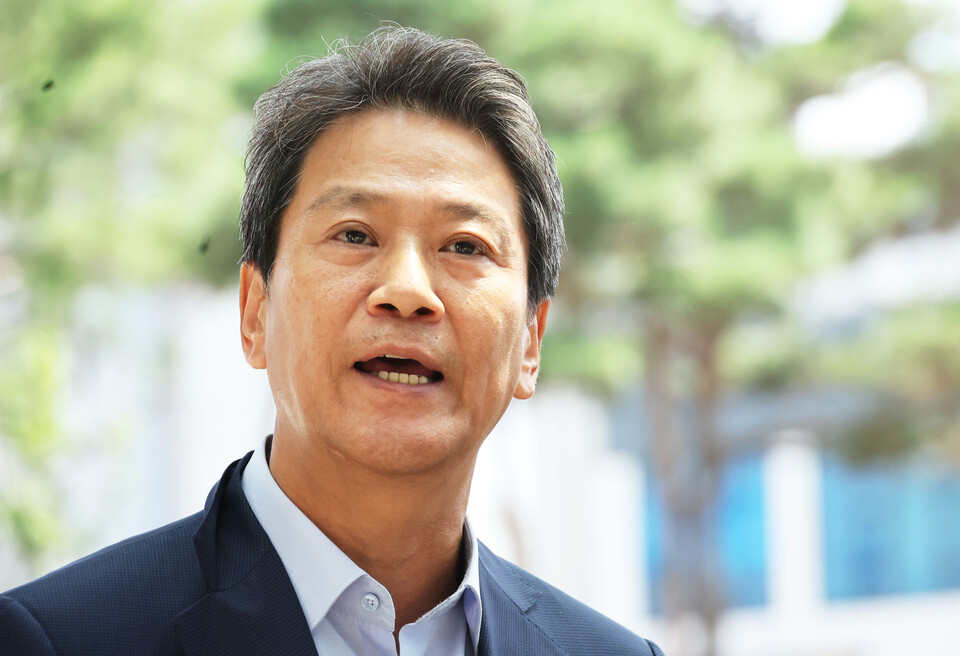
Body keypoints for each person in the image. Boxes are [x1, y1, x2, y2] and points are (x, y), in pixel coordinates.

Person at [0, 26, 664, 656]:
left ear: (531, 343)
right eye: (354, 235)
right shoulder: (59, 639)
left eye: (464, 246)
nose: (407, 290)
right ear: (255, 312)